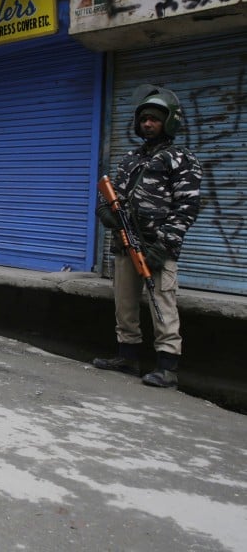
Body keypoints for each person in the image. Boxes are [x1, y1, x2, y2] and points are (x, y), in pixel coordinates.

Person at [92, 85, 202, 389]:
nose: (147, 124)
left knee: (162, 305)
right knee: (124, 305)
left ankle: (167, 368)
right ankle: (127, 358)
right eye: (143, 119)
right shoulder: (130, 159)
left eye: (154, 119)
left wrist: (162, 247)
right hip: (124, 245)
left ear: (168, 122)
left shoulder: (181, 159)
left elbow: (187, 208)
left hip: (157, 248)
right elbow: (109, 198)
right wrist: (106, 214)